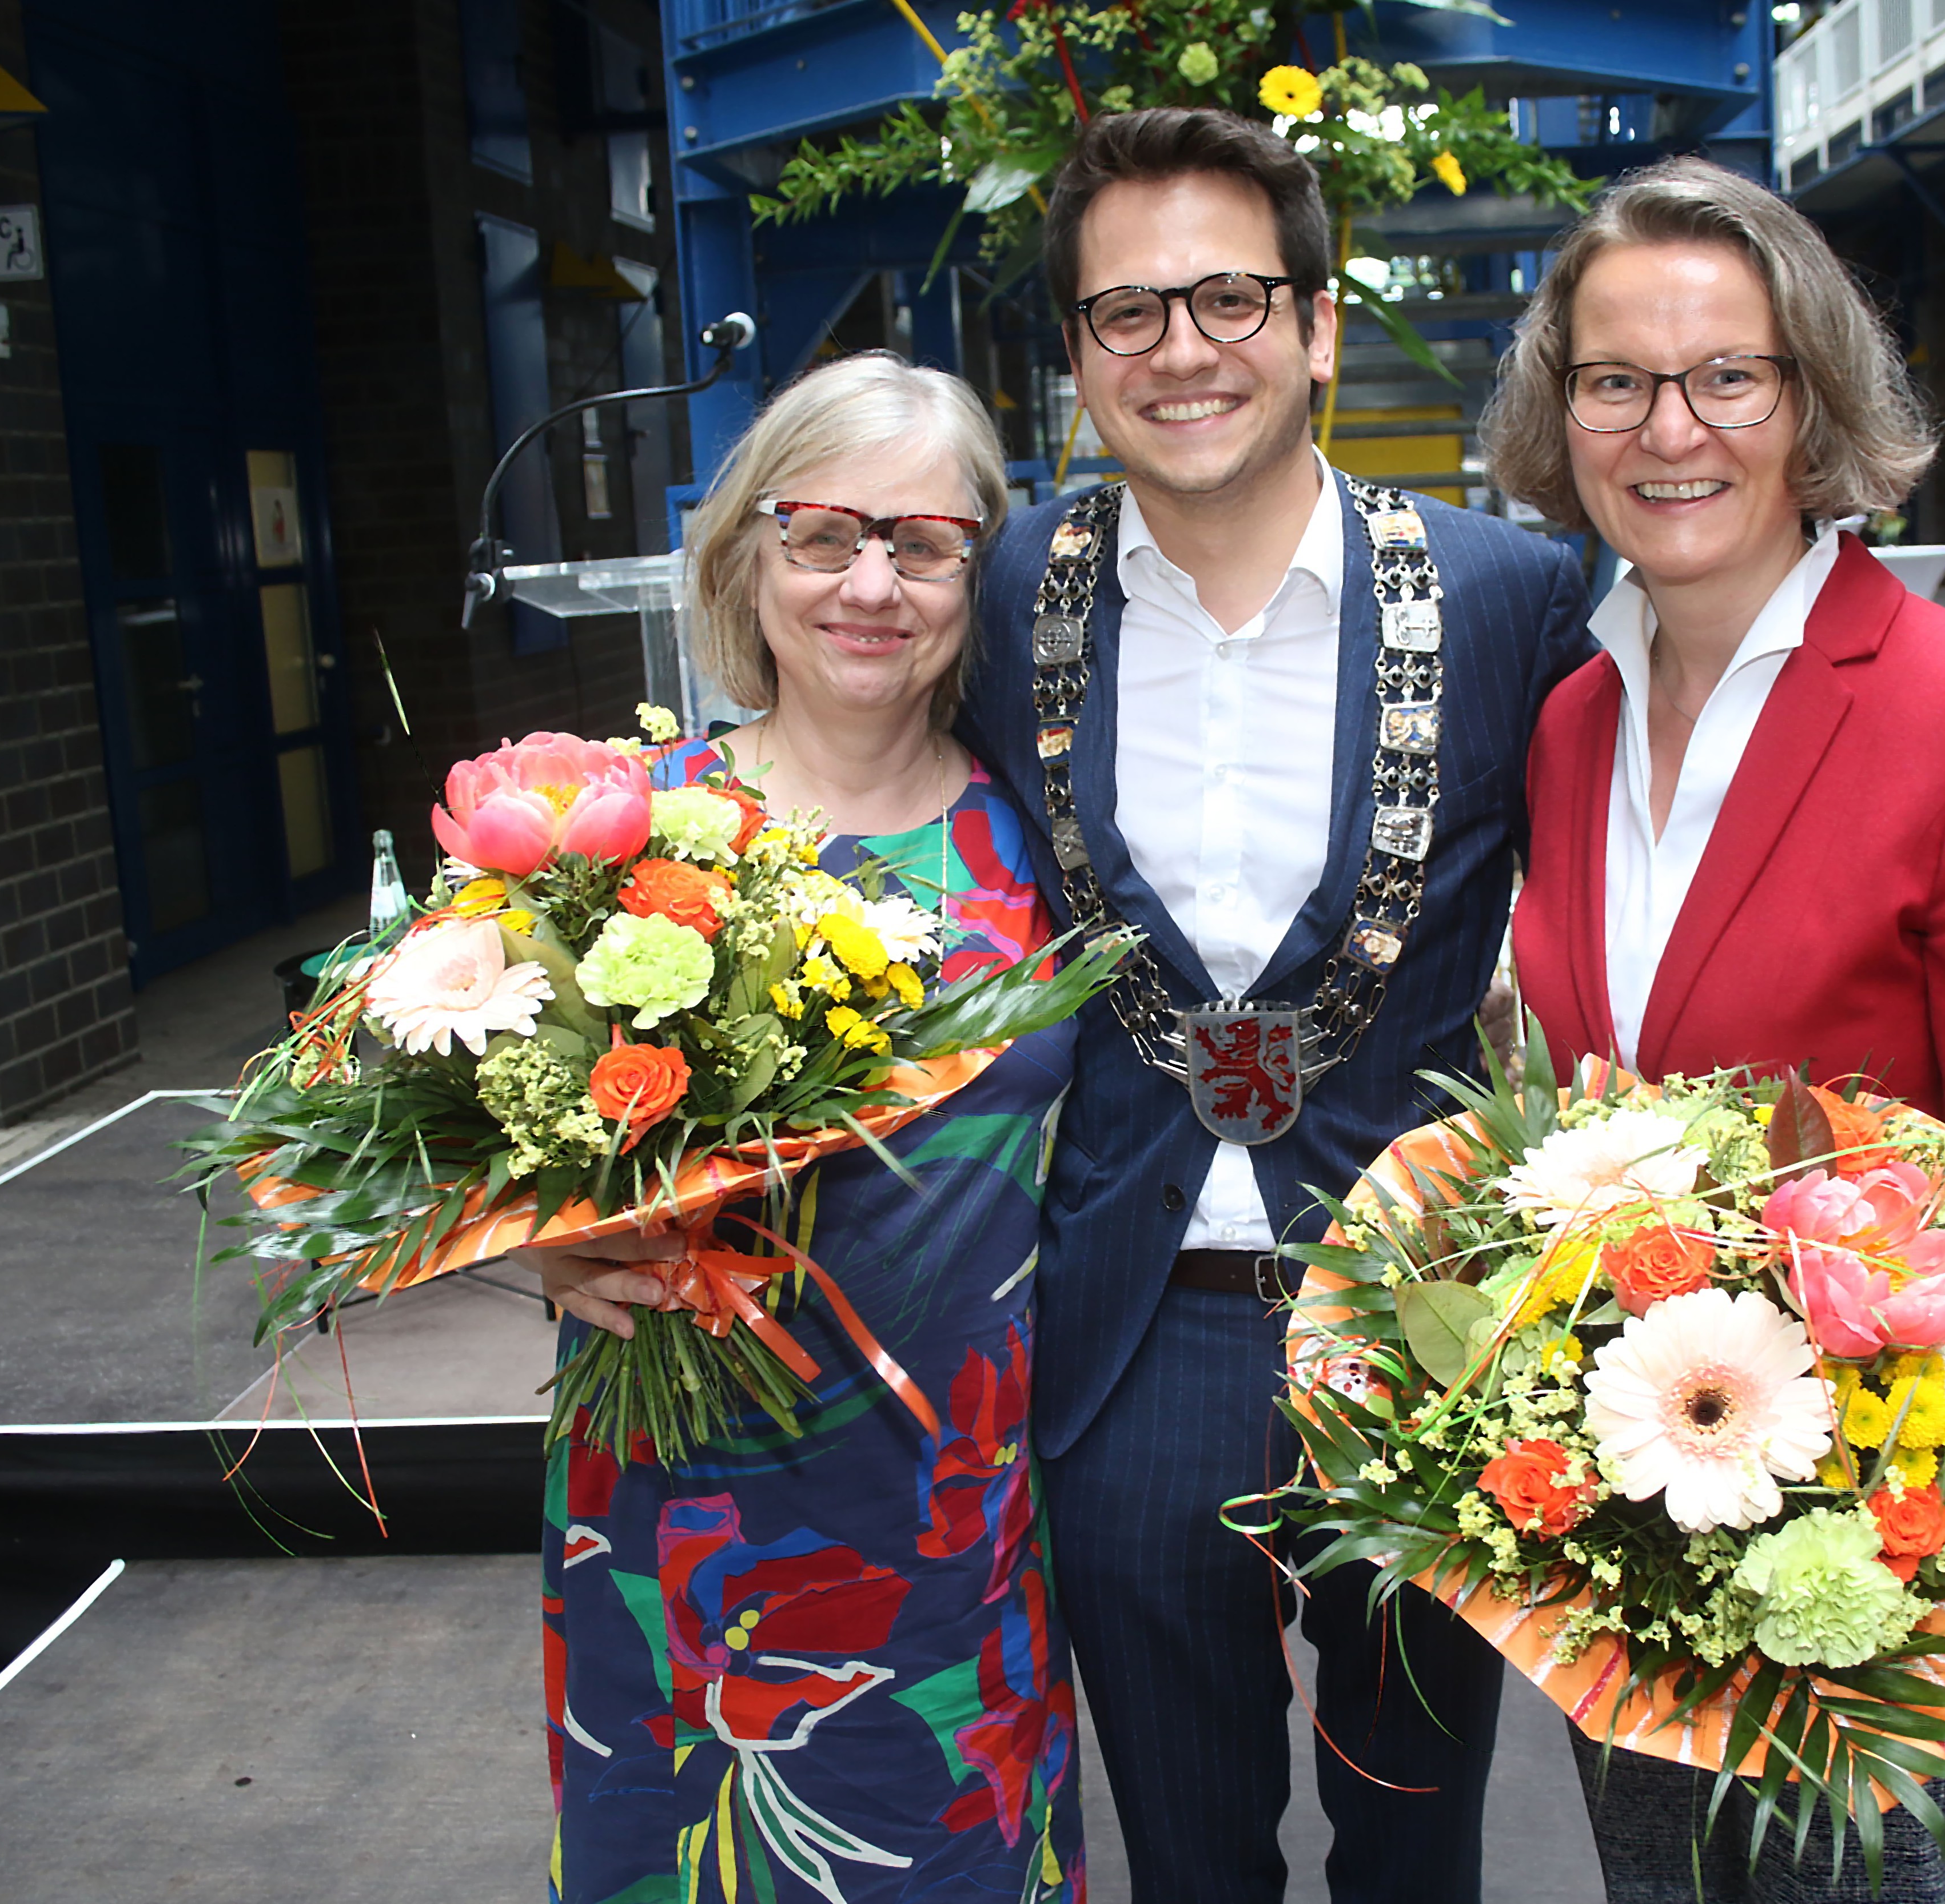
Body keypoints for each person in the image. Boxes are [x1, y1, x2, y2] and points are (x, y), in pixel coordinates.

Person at [959, 108, 1594, 1904]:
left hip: (1422, 1322)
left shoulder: (1505, 592)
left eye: (1228, 297)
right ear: (1076, 357)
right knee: (1187, 1852)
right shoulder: (1007, 596)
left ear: (1317, 323)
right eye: (1125, 313)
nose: (1181, 349)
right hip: (1128, 1328)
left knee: (1417, 1845)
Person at [1483, 157, 1945, 1902]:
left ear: (1811, 398)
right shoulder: (1568, 722)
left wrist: (1854, 1462)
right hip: (1637, 1529)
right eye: (1611, 379)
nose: (1664, 427)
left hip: (1887, 1563)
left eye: (1725, 377)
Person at [520, 352, 1085, 1902]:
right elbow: (467, 1144)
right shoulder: (623, 840)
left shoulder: (1051, 849)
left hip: (951, 1513)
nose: (869, 583)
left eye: (922, 542)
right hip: (674, 1511)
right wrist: (545, 1257)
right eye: (823, 532)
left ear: (984, 570)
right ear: (745, 559)